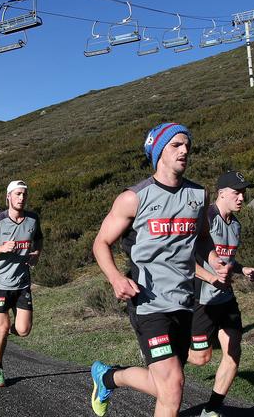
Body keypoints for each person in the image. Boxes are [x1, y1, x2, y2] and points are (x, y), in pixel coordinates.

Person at [90, 122, 232, 417]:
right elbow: (101, 242)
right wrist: (116, 278)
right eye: (176, 145)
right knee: (172, 386)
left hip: (183, 300)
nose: (184, 150)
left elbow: (203, 238)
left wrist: (215, 260)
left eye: (187, 146)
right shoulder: (134, 197)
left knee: (166, 385)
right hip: (148, 301)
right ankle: (108, 378)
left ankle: (107, 377)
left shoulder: (197, 194)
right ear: (158, 151)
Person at [189, 170, 254, 417]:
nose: (241, 198)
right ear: (221, 193)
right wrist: (210, 278)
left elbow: (227, 260)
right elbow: (186, 258)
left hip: (226, 298)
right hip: (202, 299)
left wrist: (242, 269)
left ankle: (212, 410)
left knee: (233, 351)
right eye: (236, 192)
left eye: (244, 193)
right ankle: (169, 354)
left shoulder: (236, 225)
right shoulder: (206, 219)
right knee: (200, 359)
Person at [0, 180, 43, 388]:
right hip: (1, 283)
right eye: (17, 194)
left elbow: (39, 239)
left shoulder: (33, 219)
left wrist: (36, 254)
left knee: (23, 330)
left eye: (24, 194)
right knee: (3, 327)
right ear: (9, 197)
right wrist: (1, 248)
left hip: (22, 283)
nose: (21, 198)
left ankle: (5, 334)